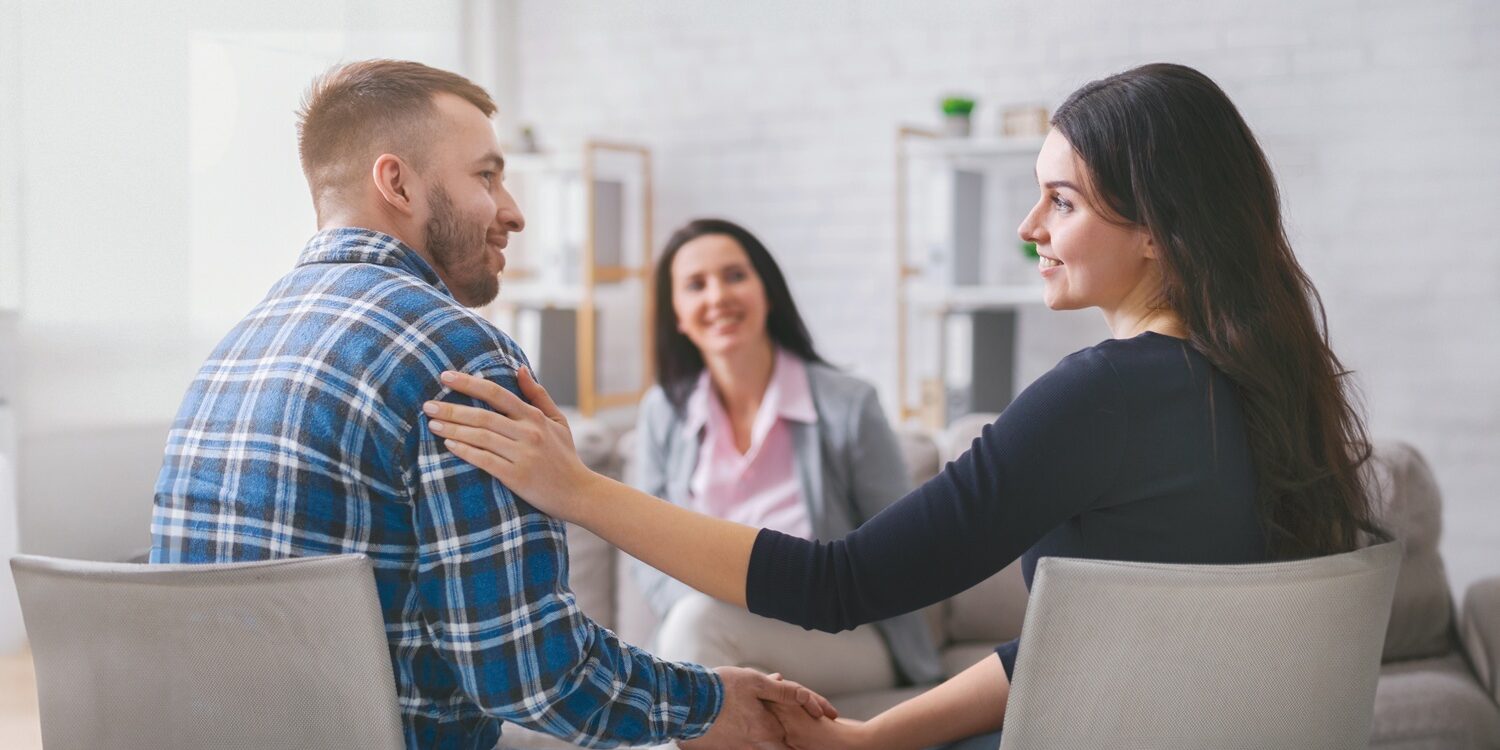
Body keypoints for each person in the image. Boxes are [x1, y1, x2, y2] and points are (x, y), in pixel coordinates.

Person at [422, 62, 1385, 749]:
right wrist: (876, 741)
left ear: (1156, 231)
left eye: (1063, 203)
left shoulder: (1104, 395)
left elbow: (839, 586)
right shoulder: (1270, 390)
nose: (1028, 228)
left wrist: (580, 490)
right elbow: (1073, 646)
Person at [150, 59, 831, 750]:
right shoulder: (458, 354)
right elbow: (534, 674)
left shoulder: (234, 349)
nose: (514, 210)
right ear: (397, 183)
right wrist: (707, 704)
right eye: (486, 175)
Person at [629, 218, 942, 694]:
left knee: (700, 629)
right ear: (676, 313)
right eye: (695, 285)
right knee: (698, 626)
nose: (718, 297)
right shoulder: (663, 411)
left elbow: (902, 549)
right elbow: (644, 548)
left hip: (842, 636)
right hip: (706, 629)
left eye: (735, 275)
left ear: (767, 292)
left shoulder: (849, 405)